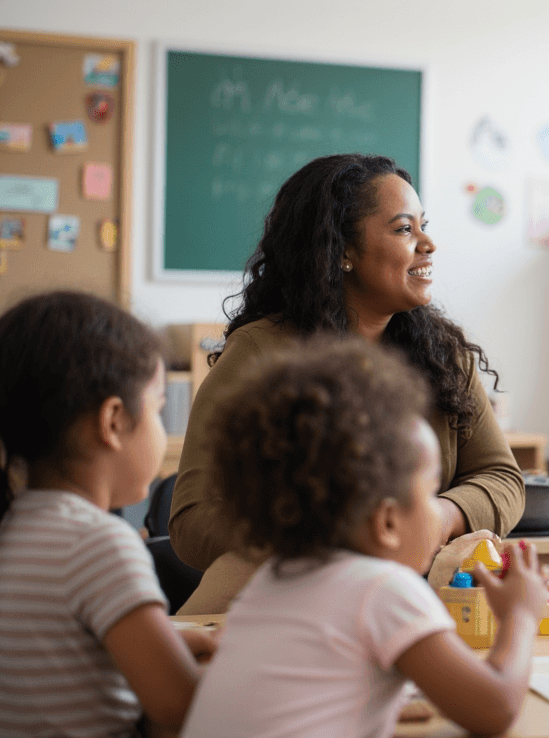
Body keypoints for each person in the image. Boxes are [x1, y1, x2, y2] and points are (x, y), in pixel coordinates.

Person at [169, 153, 523, 612]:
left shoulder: (445, 355)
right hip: (294, 607)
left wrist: (437, 517)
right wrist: (333, 539)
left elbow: (502, 478)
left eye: (423, 225)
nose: (428, 243)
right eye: (403, 229)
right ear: (342, 251)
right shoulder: (261, 354)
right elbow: (193, 519)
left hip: (420, 602)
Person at [181, 339, 549, 738]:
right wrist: (521, 616)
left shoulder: (273, 580)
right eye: (429, 493)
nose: (439, 507)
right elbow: (494, 709)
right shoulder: (382, 589)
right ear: (387, 522)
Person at [0, 291, 215, 736]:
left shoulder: (16, 525)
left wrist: (168, 642)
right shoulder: (97, 542)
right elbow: (179, 705)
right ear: (113, 420)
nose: (161, 427)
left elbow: (61, 653)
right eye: (158, 409)